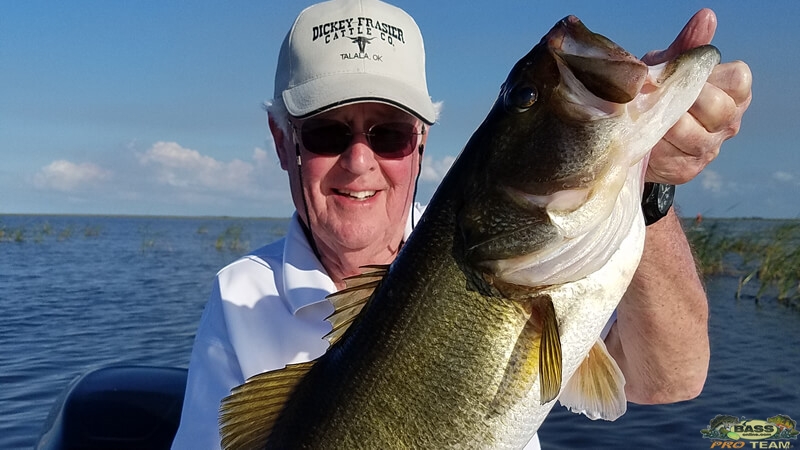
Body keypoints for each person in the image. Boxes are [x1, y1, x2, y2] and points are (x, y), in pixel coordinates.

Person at [171, 1, 752, 448]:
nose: (359, 160)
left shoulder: (549, 263)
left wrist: (648, 181)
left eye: (390, 134)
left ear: (422, 142)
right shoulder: (238, 297)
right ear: (282, 143)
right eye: (326, 133)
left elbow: (669, 380)